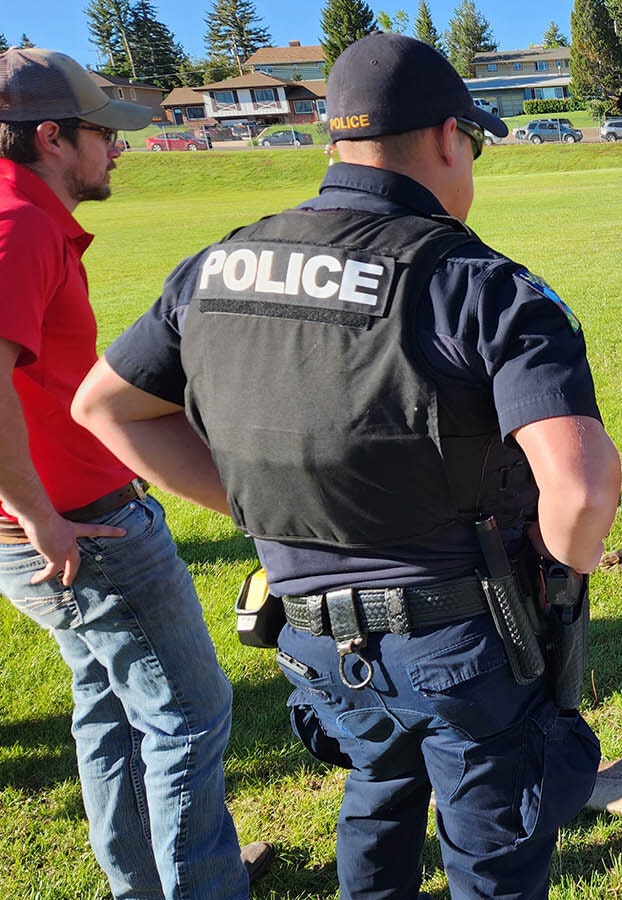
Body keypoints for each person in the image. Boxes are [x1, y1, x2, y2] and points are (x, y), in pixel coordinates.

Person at [71, 33, 620, 899]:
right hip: (464, 639)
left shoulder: (217, 266)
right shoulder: (480, 283)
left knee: (379, 788)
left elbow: (104, 406)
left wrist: (266, 510)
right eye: (471, 146)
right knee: (493, 849)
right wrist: (556, 575)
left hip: (316, 639)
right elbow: (582, 489)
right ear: (449, 137)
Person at [0, 47, 273, 897]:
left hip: (57, 522)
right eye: (101, 133)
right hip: (83, 533)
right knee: (188, 715)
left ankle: (146, 883)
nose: (116, 148)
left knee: (111, 714)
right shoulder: (21, 226)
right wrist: (41, 514)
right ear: (50, 137)